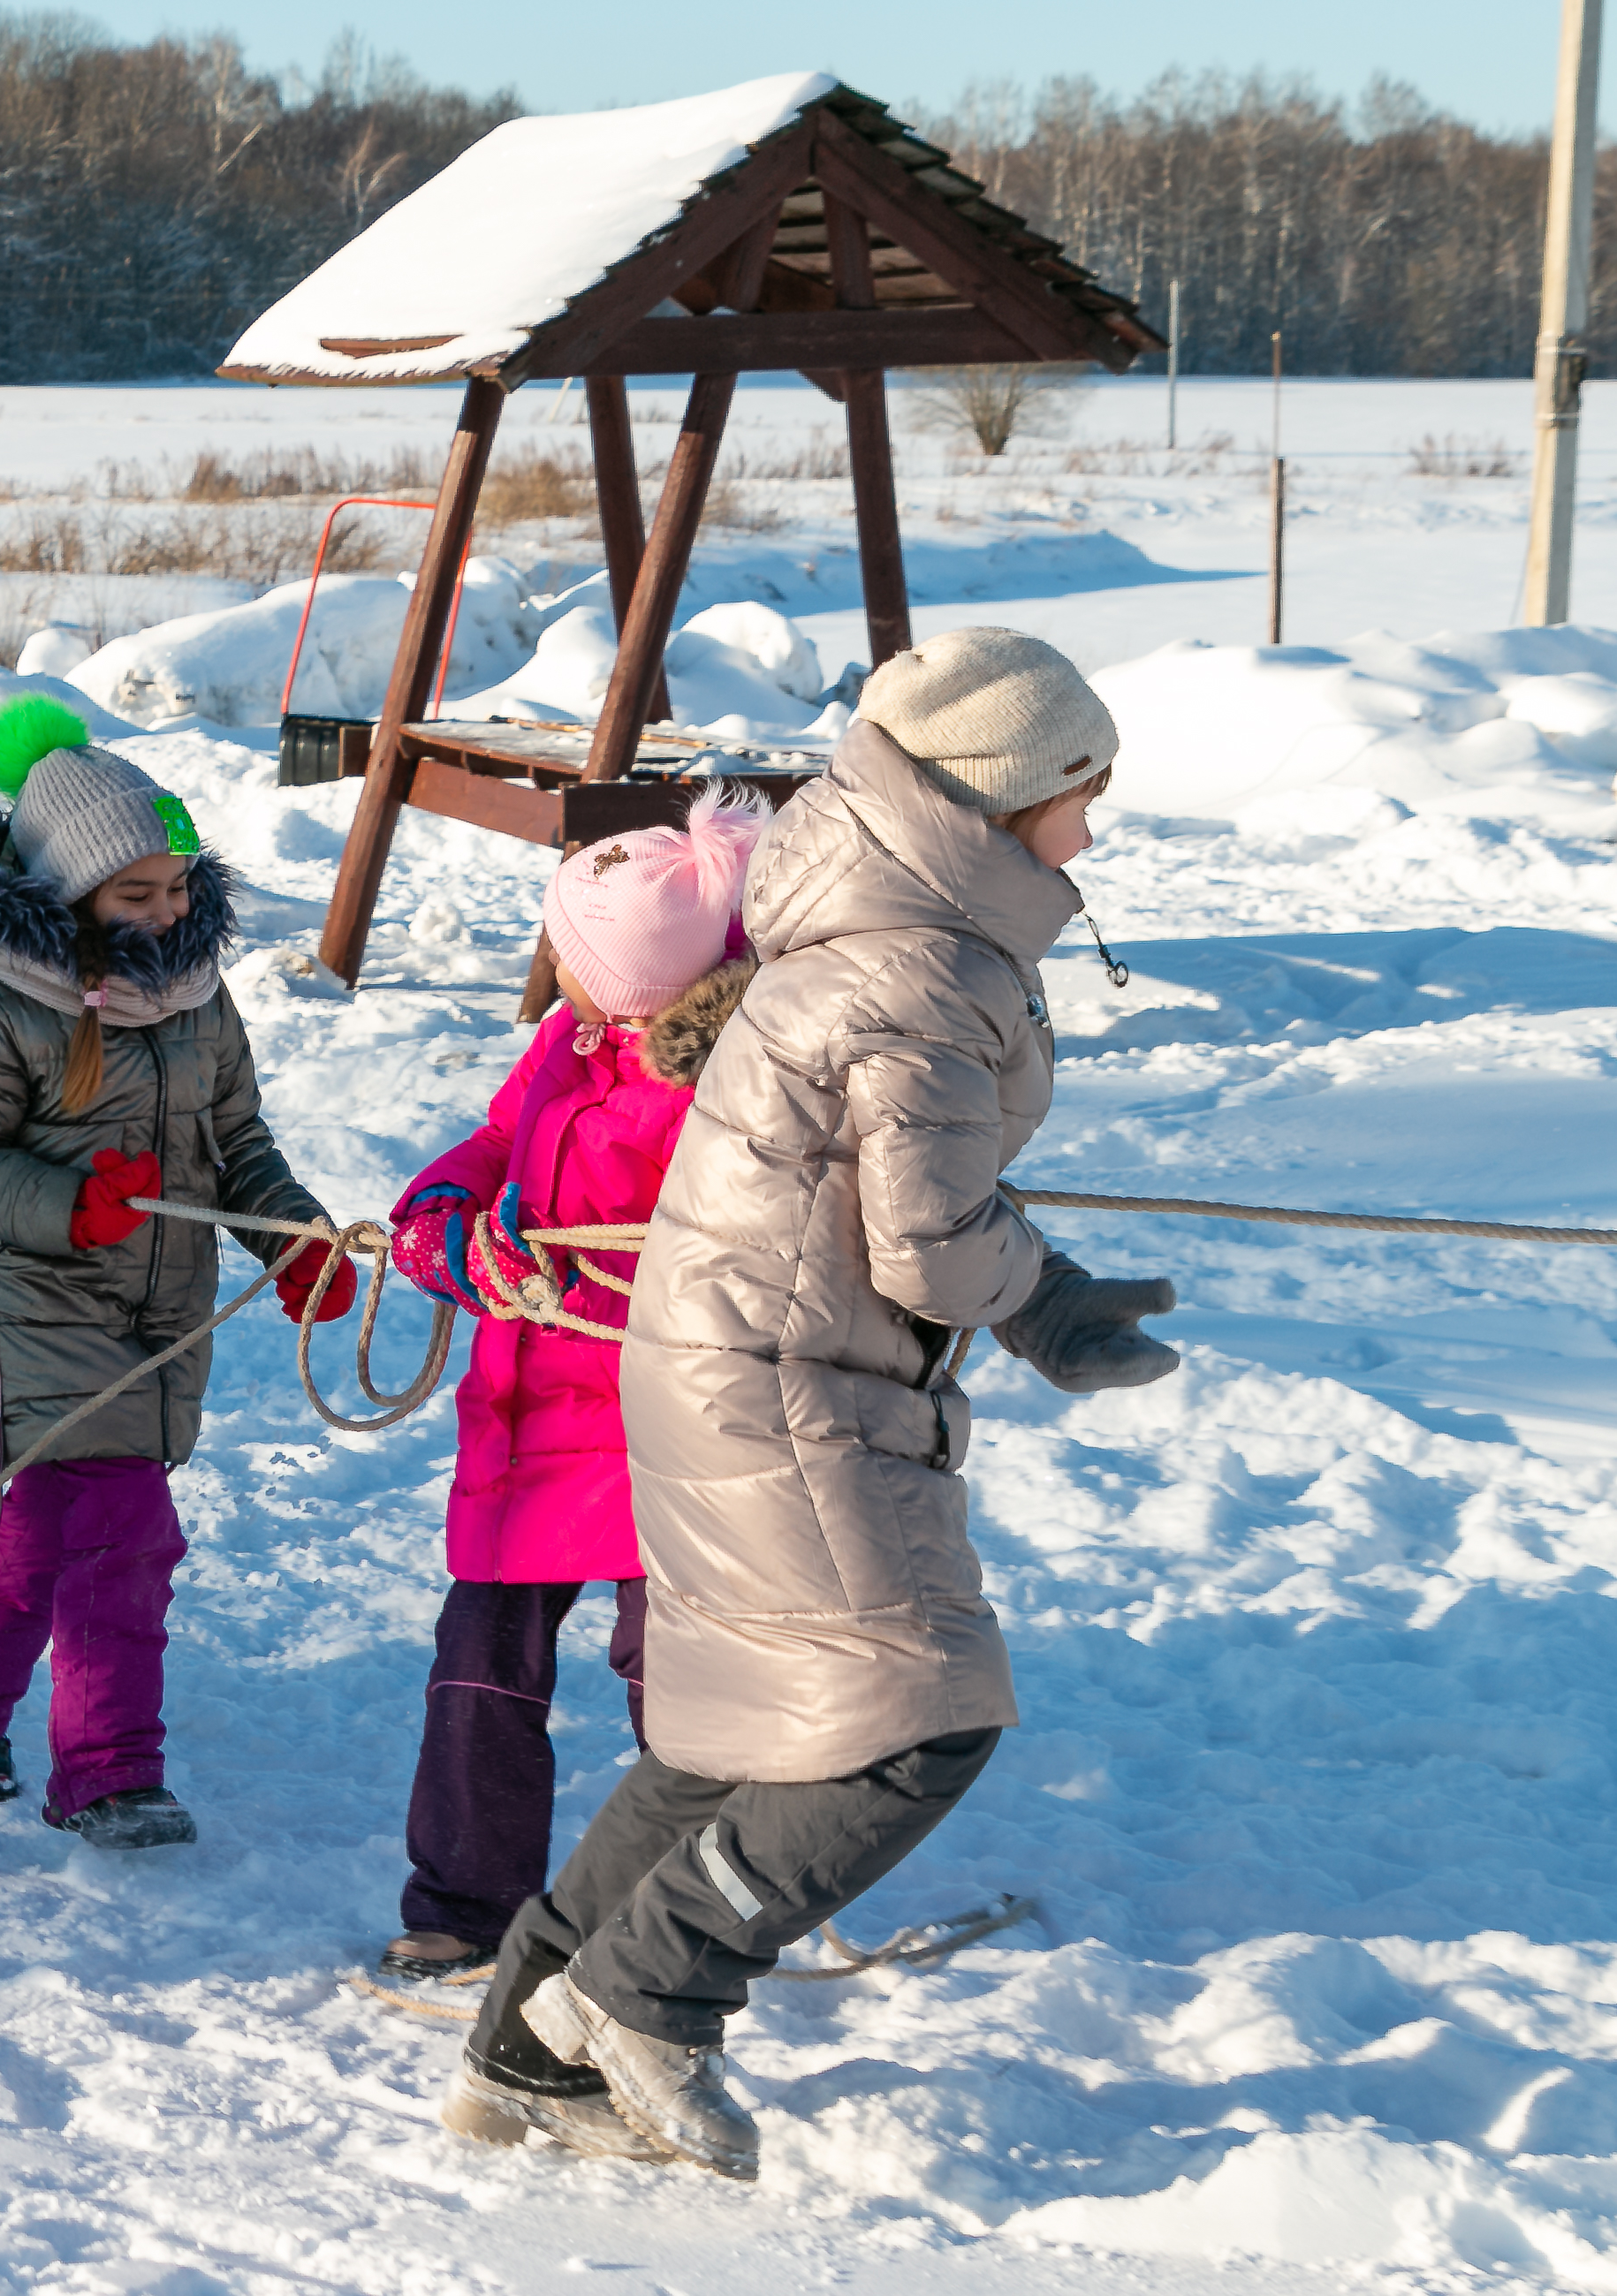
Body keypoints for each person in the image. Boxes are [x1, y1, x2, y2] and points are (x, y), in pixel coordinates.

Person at [453, 628, 1184, 2180]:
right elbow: (921, 1234)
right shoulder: (918, 970)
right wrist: (1043, 1298)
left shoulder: (874, 925)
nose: (1091, 831)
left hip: (728, 1361)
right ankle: (652, 1992)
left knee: (736, 1728)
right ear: (1002, 800)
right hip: (788, 1386)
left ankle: (526, 2042)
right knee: (914, 1715)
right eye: (1080, 796)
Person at [0, 696, 352, 1852]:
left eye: (177, 885)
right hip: (28, 1305)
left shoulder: (201, 1004)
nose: (166, 911)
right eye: (134, 894)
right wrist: (69, 1207)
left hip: (156, 1318)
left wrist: (291, 1238)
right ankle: (106, 1774)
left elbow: (237, 1147)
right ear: (68, 895)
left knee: (43, 1543)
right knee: (117, 1534)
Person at [376, 791, 765, 2002]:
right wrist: (444, 1217)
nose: (556, 971)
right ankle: (464, 1904)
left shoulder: (725, 1085)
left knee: (680, 1682)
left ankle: (689, 1907)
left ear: (621, 973)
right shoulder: (569, 1042)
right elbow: (496, 1144)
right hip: (531, 1419)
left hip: (665, 1428)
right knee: (478, 1667)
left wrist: (598, 1263)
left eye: (568, 954)